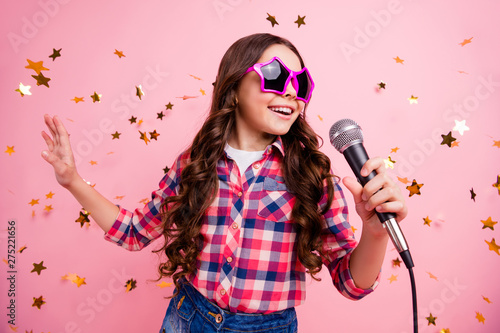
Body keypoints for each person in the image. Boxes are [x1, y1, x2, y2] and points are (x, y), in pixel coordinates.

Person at [41, 33, 407, 333]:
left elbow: (352, 284)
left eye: (302, 84)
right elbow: (135, 231)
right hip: (189, 318)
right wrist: (71, 180)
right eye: (276, 77)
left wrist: (374, 233)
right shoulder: (195, 163)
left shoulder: (311, 175)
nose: (292, 92)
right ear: (234, 87)